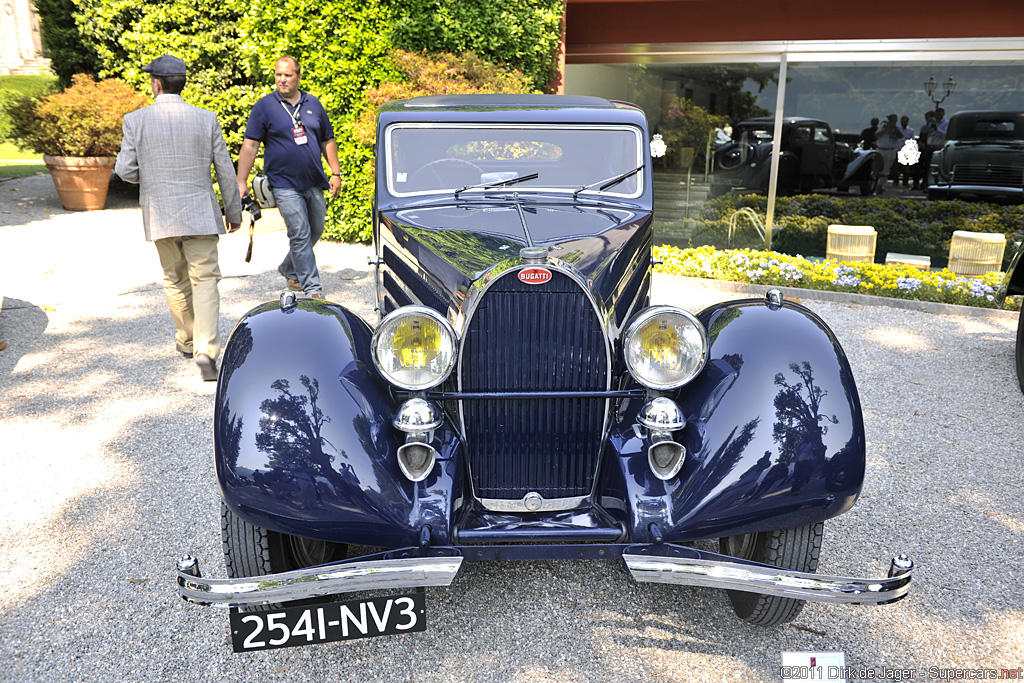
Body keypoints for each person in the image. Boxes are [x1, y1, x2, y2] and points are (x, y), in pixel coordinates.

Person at [114, 55, 242, 381]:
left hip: (161, 216)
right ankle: (207, 352)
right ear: (182, 83)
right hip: (201, 213)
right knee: (206, 280)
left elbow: (125, 171)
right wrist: (233, 211)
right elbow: (226, 171)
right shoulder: (206, 119)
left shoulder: (135, 120)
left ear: (156, 83)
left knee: (174, 279)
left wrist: (154, 177)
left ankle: (187, 340)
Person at [236, 55, 341, 300]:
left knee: (316, 229)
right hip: (283, 183)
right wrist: (242, 181)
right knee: (300, 233)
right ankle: (313, 288)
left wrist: (335, 172)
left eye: (287, 75)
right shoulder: (264, 107)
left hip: (314, 180)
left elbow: (328, 139)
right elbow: (250, 145)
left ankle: (289, 268)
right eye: (278, 75)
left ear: (298, 76)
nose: (282, 80)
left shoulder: (313, 103)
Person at [874, 114, 902, 191]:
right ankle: (876, 183)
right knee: (877, 167)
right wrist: (885, 129)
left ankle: (882, 185)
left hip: (891, 150)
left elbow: (901, 136)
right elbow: (876, 135)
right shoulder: (883, 126)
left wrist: (895, 129)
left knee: (887, 169)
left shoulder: (898, 128)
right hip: (881, 149)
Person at [896, 115, 916, 187]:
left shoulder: (911, 130)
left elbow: (912, 140)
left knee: (906, 169)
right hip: (897, 149)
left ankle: (905, 182)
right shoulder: (897, 129)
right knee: (895, 168)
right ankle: (896, 182)